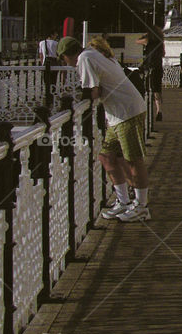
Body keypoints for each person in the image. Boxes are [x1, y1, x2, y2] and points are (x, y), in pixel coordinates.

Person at [57, 36, 151, 222]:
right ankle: (123, 202)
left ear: (67, 55)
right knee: (107, 157)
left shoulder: (85, 58)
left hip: (126, 112)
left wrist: (75, 99)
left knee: (133, 160)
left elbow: (92, 91)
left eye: (62, 58)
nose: (64, 62)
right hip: (117, 114)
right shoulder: (94, 53)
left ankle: (142, 207)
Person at [138, 25, 164, 121]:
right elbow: (163, 53)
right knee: (157, 90)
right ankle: (159, 110)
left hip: (149, 67)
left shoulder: (147, 41)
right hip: (158, 66)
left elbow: (137, 41)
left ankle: (146, 113)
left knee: (147, 90)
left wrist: (144, 35)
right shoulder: (160, 42)